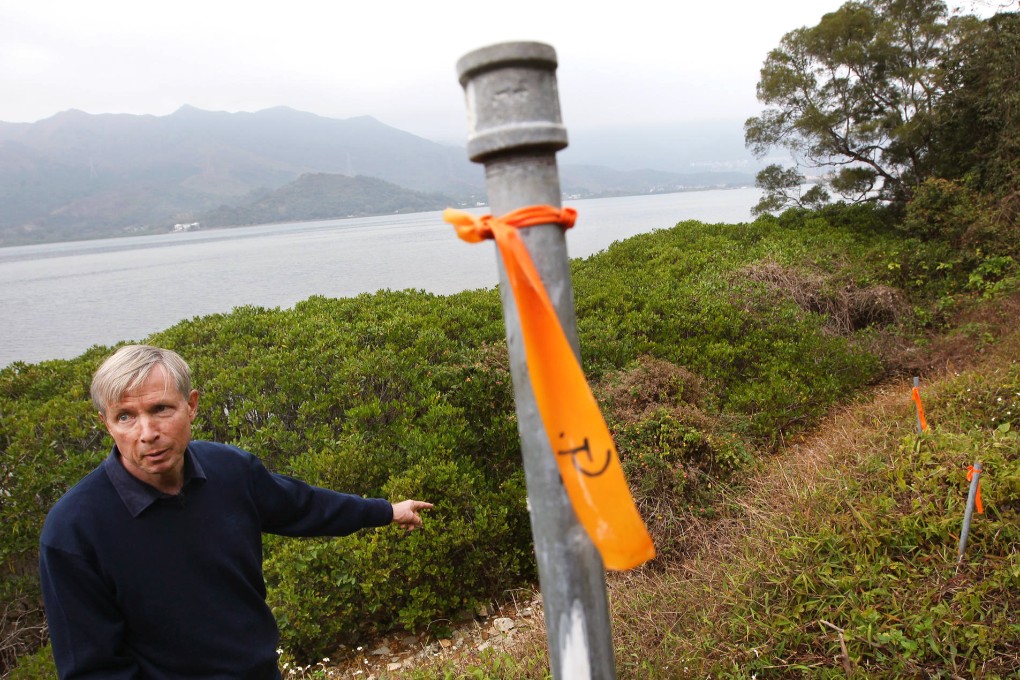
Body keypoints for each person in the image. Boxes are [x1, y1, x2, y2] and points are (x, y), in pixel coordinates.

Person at [39, 344, 433, 679]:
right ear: (106, 423)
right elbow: (93, 668)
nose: (146, 432)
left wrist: (385, 511)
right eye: (125, 416)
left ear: (191, 406)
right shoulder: (73, 530)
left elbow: (305, 507)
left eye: (161, 409)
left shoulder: (230, 470)